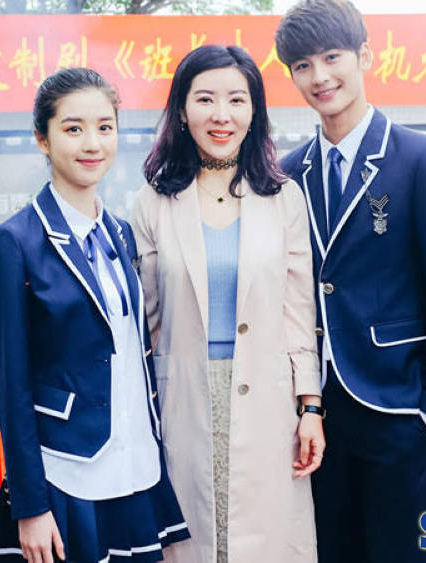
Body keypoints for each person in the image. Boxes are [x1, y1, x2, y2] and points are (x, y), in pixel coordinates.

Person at [275, 1, 426, 561]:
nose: (319, 77)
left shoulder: (420, 159)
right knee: (328, 549)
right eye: (302, 66)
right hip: (315, 412)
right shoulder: (288, 173)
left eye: (332, 58)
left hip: (396, 402)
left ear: (364, 56)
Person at [0, 67, 190, 563]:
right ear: (42, 139)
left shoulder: (120, 233)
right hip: (66, 472)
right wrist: (30, 506)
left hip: (133, 465)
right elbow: (12, 386)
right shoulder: (14, 242)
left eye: (104, 127)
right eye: (73, 128)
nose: (92, 143)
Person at [131, 45, 324, 563]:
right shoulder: (152, 202)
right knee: (192, 541)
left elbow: (298, 313)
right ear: (181, 110)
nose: (222, 114)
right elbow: (147, 323)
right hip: (183, 399)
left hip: (267, 399)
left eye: (237, 100)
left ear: (254, 111)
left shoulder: (283, 198)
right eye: (205, 99)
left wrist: (310, 407)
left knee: (266, 540)